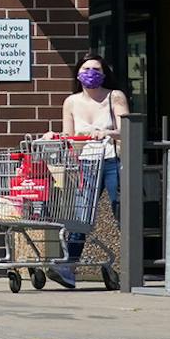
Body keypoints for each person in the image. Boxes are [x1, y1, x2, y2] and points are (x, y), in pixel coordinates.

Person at [49, 54, 127, 289]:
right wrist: (57, 138)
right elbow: (70, 137)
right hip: (87, 162)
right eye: (86, 69)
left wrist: (108, 133)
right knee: (82, 214)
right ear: (78, 74)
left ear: (104, 74)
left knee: (121, 209)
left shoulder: (114, 97)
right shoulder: (71, 102)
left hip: (112, 159)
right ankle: (68, 267)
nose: (90, 73)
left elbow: (126, 129)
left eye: (95, 69)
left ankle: (132, 264)